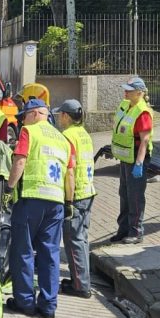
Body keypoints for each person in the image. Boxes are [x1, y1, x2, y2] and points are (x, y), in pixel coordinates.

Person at [5, 98, 75, 318]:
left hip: (31, 200)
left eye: (24, 115)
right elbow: (70, 174)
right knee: (50, 254)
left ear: (35, 114)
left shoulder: (29, 131)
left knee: (23, 251)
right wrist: (69, 202)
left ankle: (25, 302)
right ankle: (48, 306)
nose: (22, 120)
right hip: (56, 203)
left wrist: (9, 189)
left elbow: (20, 162)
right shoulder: (64, 140)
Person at [54, 99, 95, 299]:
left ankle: (80, 285)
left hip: (76, 194)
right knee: (82, 239)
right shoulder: (84, 134)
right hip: (88, 191)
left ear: (66, 116)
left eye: (60, 114)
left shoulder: (67, 136)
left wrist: (68, 201)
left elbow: (69, 171)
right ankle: (80, 278)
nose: (59, 118)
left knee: (73, 240)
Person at [110, 77, 153, 244]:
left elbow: (144, 140)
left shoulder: (142, 112)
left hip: (136, 158)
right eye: (125, 89)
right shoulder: (125, 105)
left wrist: (139, 163)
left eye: (129, 89)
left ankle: (136, 232)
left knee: (135, 196)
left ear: (139, 93)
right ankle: (123, 230)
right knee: (124, 194)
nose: (125, 91)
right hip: (125, 157)